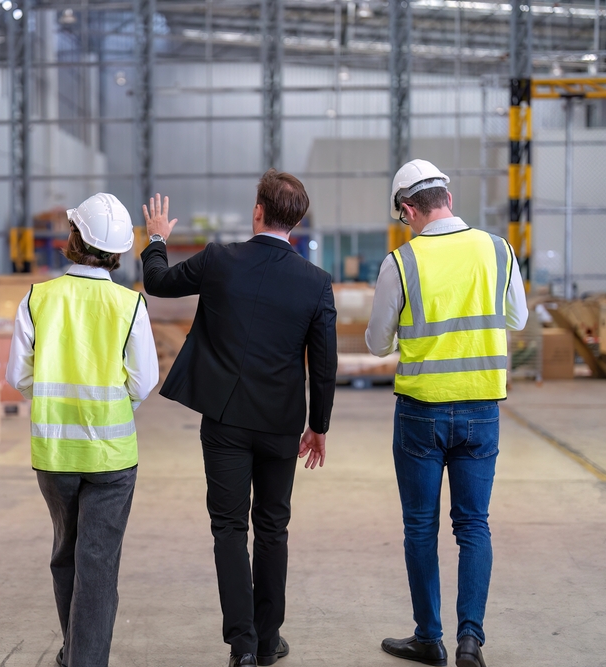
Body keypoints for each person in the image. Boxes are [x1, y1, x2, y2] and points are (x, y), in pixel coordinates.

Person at [141, 170, 338, 667]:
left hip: (225, 421)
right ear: (297, 221)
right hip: (280, 425)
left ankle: (243, 647)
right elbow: (325, 363)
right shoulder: (316, 283)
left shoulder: (220, 260)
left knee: (229, 529)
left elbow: (159, 282)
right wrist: (319, 426)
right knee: (273, 528)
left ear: (258, 211)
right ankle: (269, 641)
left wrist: (158, 238)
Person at [368, 160, 528, 667]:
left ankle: (428, 638)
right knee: (473, 525)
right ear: (449, 199)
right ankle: (470, 641)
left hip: (421, 414)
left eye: (404, 217)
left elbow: (376, 344)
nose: (405, 225)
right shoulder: (498, 250)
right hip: (482, 410)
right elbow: (517, 318)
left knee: (420, 527)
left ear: (409, 209)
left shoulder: (401, 262)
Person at [6, 192, 159, 667]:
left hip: (55, 455)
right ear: (117, 252)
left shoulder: (38, 298)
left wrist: (52, 403)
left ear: (74, 237)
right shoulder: (128, 305)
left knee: (66, 555)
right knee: (97, 565)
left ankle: (76, 652)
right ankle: (83, 659)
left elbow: (19, 376)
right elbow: (145, 380)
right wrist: (114, 404)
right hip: (112, 458)